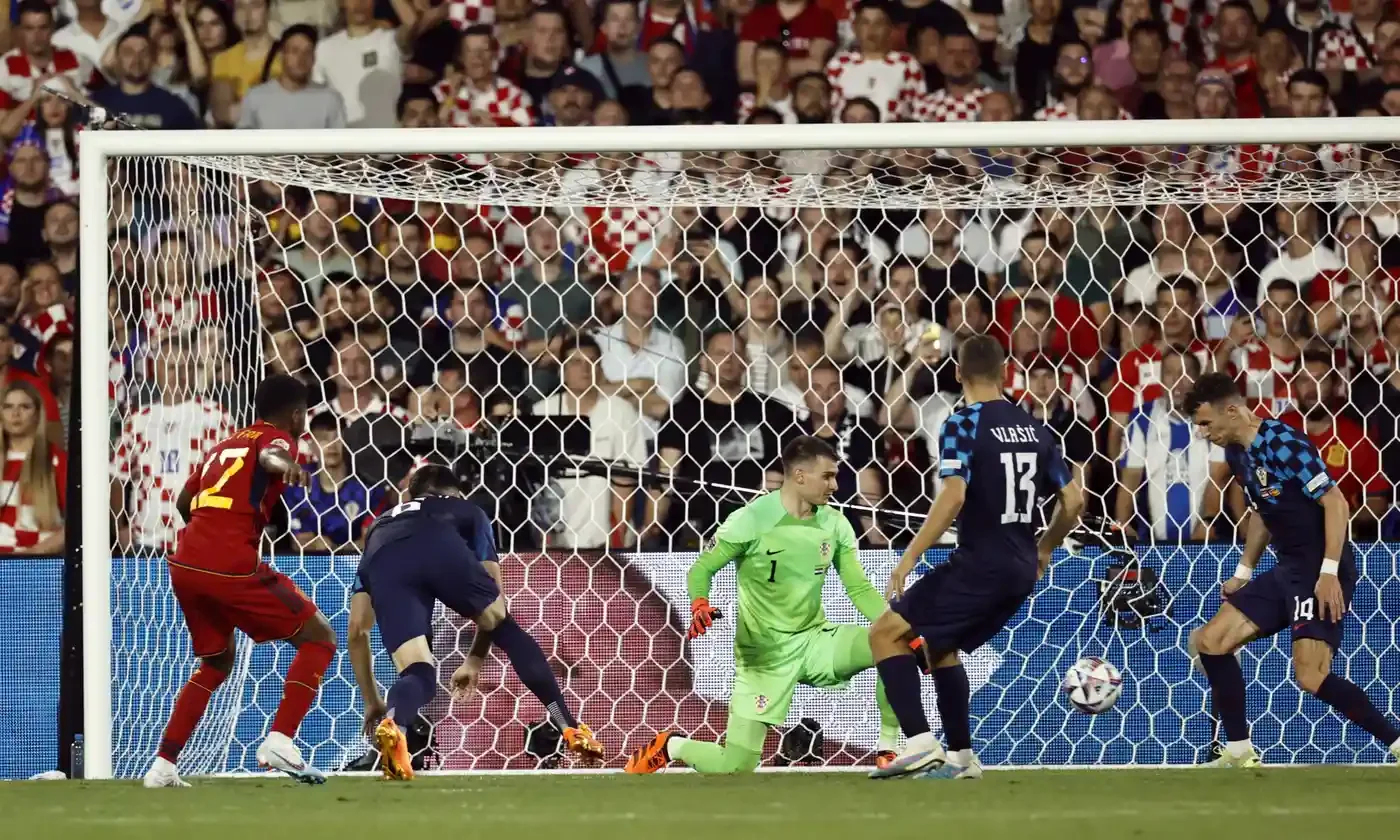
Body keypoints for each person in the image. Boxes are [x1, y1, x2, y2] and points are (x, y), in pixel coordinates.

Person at [869, 335, 1084, 780]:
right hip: (1020, 567)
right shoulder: (1034, 428)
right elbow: (1074, 500)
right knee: (941, 646)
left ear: (957, 374)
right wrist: (1045, 548)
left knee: (885, 634)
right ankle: (962, 758)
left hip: (981, 562)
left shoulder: (963, 423)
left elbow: (952, 496)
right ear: (1005, 373)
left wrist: (908, 558)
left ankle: (920, 744)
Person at [623, 435, 902, 775]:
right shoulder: (751, 519)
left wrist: (893, 622)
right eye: (828, 476)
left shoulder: (834, 523)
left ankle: (889, 749)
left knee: (892, 642)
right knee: (735, 766)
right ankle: (673, 746)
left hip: (815, 641)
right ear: (799, 476)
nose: (835, 485)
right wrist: (699, 603)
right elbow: (702, 569)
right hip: (763, 658)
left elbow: (858, 587)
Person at [1184, 372, 1400, 768]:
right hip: (1288, 568)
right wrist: (1244, 572)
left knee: (1310, 675)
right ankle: (1238, 750)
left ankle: (1396, 741)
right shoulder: (1238, 453)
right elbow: (1262, 513)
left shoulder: (1284, 442)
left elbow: (1335, 502)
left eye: (1206, 423)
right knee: (1210, 641)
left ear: (1231, 411)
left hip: (1319, 568)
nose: (1203, 432)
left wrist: (1329, 573)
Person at [347, 465, 605, 780]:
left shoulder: (378, 526)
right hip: (438, 545)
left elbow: (357, 630)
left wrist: (373, 701)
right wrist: (475, 659)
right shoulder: (466, 510)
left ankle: (394, 724)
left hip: (387, 563)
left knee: (418, 672)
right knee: (505, 627)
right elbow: (495, 598)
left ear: (412, 495)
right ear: (455, 492)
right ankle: (569, 727)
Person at [144, 375, 338, 788]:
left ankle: (163, 765)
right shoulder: (277, 438)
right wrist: (288, 466)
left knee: (216, 662)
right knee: (319, 637)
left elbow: (184, 501)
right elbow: (271, 456)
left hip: (185, 562)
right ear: (297, 414)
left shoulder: (223, 446)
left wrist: (209, 532)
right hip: (229, 562)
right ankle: (280, 740)